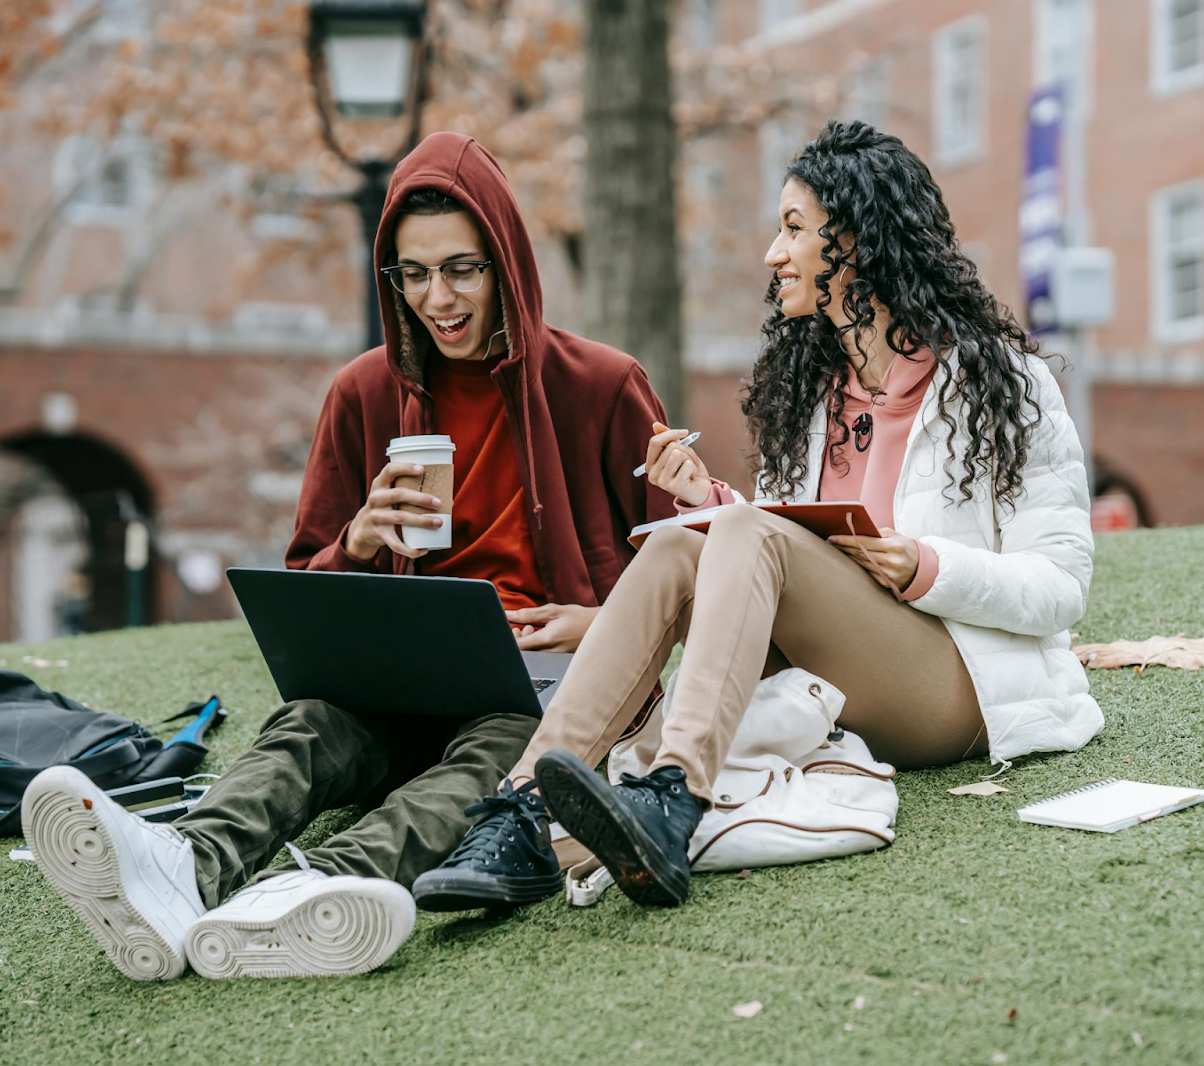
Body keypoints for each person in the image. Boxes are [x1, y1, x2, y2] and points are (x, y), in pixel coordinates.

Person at [20, 132, 675, 979]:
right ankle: (182, 866)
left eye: (462, 269)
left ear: (506, 262)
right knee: (310, 725)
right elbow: (307, 594)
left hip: (541, 691)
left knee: (490, 756)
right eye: (414, 273)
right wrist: (357, 543)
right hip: (397, 686)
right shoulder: (363, 392)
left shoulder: (602, 385)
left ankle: (309, 892)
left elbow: (684, 572)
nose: (437, 298)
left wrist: (600, 622)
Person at [421, 120, 1104, 909]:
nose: (774, 255)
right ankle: (521, 809)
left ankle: (674, 792)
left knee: (737, 532)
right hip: (835, 674)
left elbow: (1062, 585)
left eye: (793, 230)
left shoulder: (1000, 383)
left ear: (858, 243)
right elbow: (781, 541)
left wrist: (924, 566)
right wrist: (707, 503)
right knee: (684, 540)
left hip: (959, 685)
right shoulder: (809, 389)